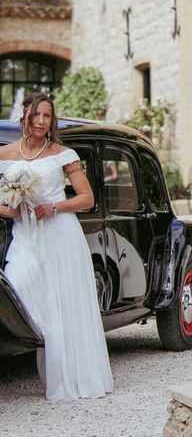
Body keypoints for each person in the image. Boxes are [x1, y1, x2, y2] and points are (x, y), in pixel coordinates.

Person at [0, 92, 113, 400]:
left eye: (47, 116)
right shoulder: (6, 153)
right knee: (18, 286)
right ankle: (36, 342)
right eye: (36, 114)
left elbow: (86, 198)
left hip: (61, 234)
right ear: (24, 116)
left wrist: (54, 207)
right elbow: (1, 204)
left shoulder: (63, 153)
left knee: (64, 301)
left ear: (52, 121)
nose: (40, 121)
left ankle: (74, 375)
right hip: (26, 234)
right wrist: (13, 207)